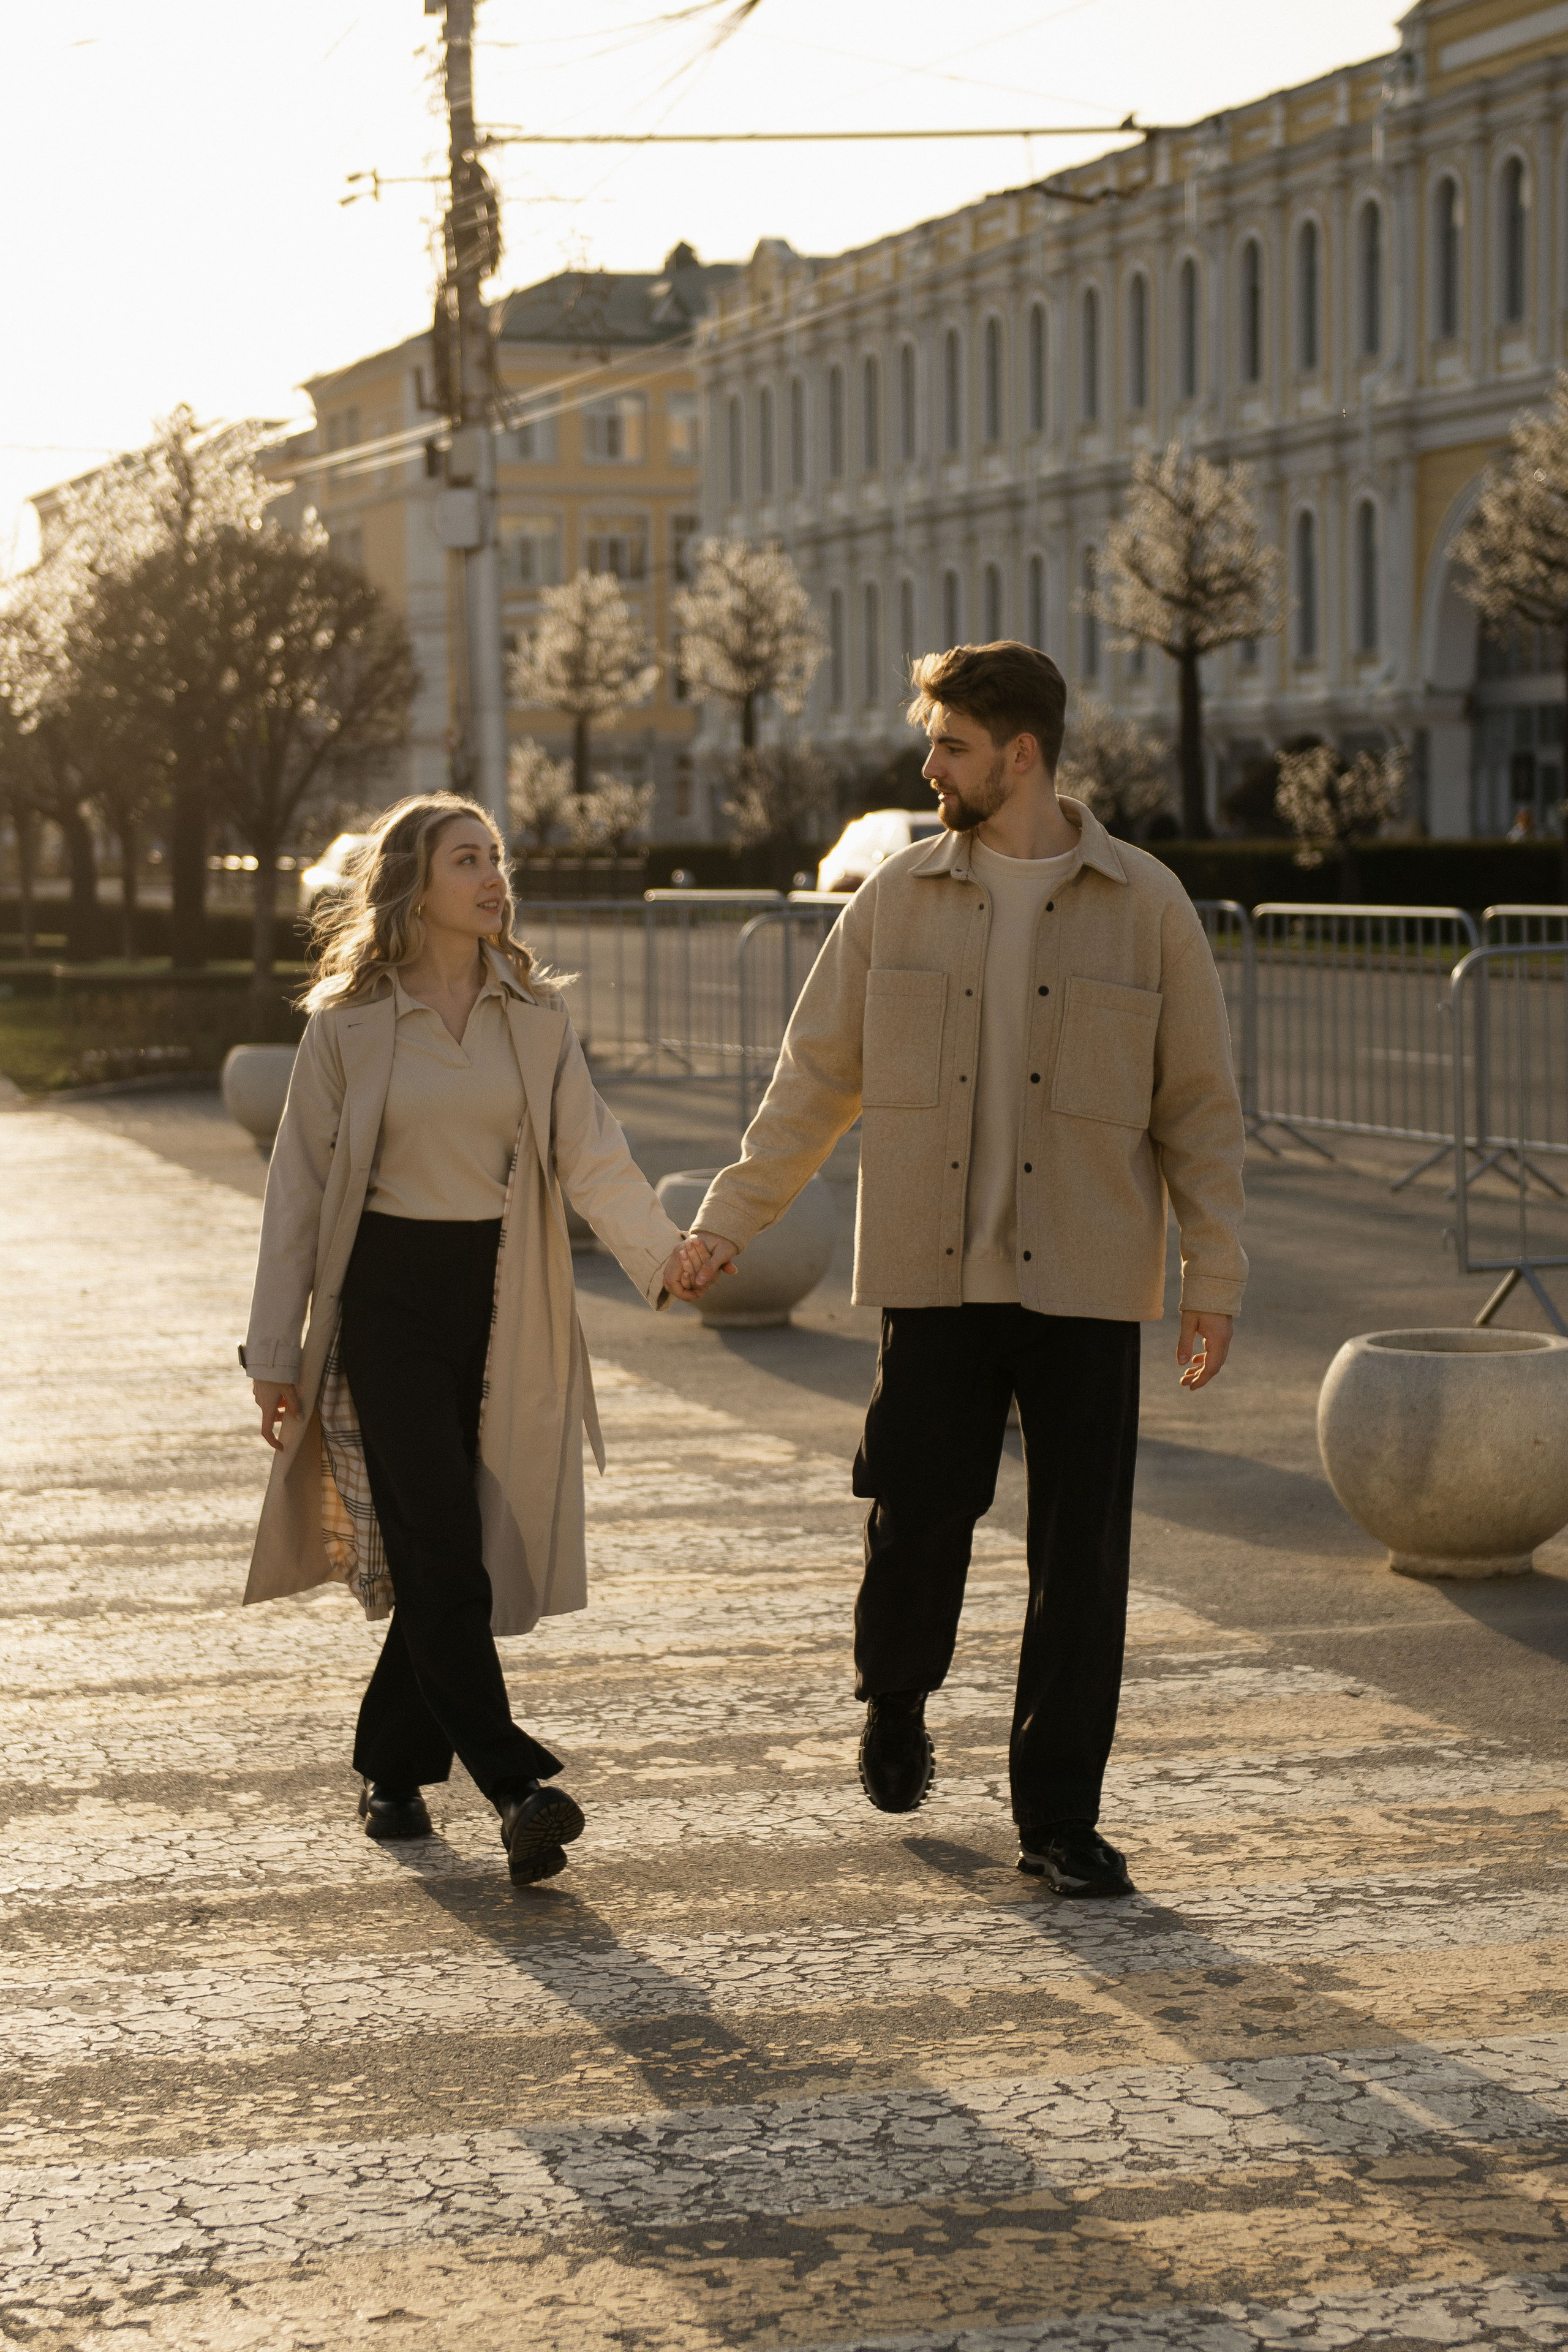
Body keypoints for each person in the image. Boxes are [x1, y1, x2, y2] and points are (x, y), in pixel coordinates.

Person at [684, 643, 1246, 1899]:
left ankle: (1058, 1817)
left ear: (1020, 755)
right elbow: (813, 1079)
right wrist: (731, 1219)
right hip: (934, 1281)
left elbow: (1199, 1110)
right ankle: (894, 1697)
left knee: (1081, 1561)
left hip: (1087, 1283)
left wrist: (1211, 1276)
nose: (928, 766)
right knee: (915, 1516)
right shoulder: (896, 898)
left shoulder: (1146, 905)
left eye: (949, 745)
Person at [241, 793, 703, 1887]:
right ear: (414, 882)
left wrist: (667, 1257)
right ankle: (514, 1787)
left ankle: (392, 1766)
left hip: (503, 1300)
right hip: (386, 1306)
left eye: (496, 857)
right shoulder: (348, 1024)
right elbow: (296, 1192)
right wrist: (274, 1354)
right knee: (441, 1540)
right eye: (467, 859)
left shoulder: (534, 1015)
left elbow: (594, 1154)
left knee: (456, 1550)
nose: (494, 876)